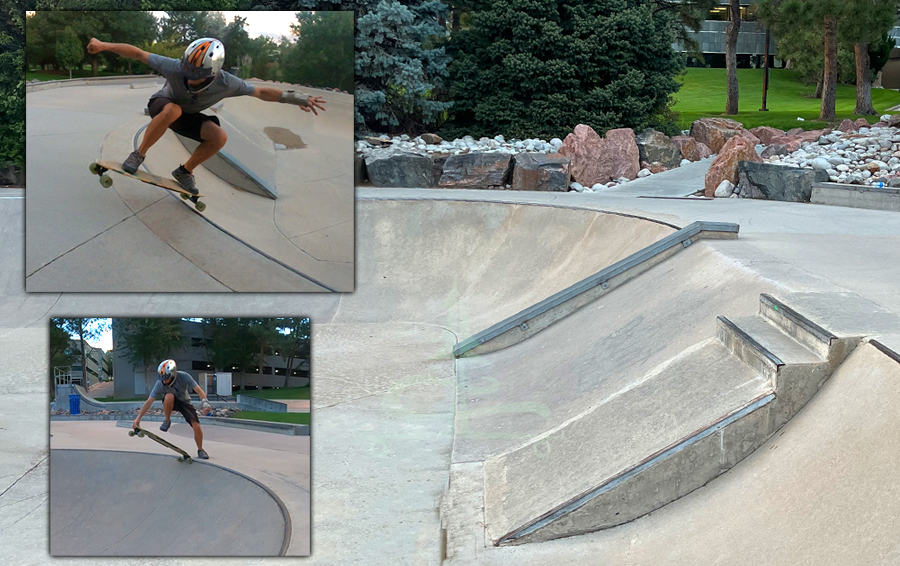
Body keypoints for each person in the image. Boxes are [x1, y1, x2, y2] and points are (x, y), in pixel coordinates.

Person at [86, 37, 327, 195]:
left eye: (196, 76)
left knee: (219, 136)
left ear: (212, 73)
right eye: (187, 73)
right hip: (163, 105)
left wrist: (297, 98)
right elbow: (139, 53)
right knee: (173, 109)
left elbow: (261, 91)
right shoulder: (174, 67)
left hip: (188, 116)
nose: (189, 79)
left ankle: (185, 171)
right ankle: (138, 155)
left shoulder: (228, 83)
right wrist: (104, 46)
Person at [132, 359, 213, 460]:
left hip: (185, 403)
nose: (164, 381)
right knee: (169, 396)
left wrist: (206, 404)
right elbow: (149, 402)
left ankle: (200, 449)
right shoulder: (159, 384)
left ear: (173, 375)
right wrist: (138, 418)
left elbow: (199, 391)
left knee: (196, 426)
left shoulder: (184, 376)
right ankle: (167, 420)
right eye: (162, 379)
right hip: (170, 402)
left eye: (166, 379)